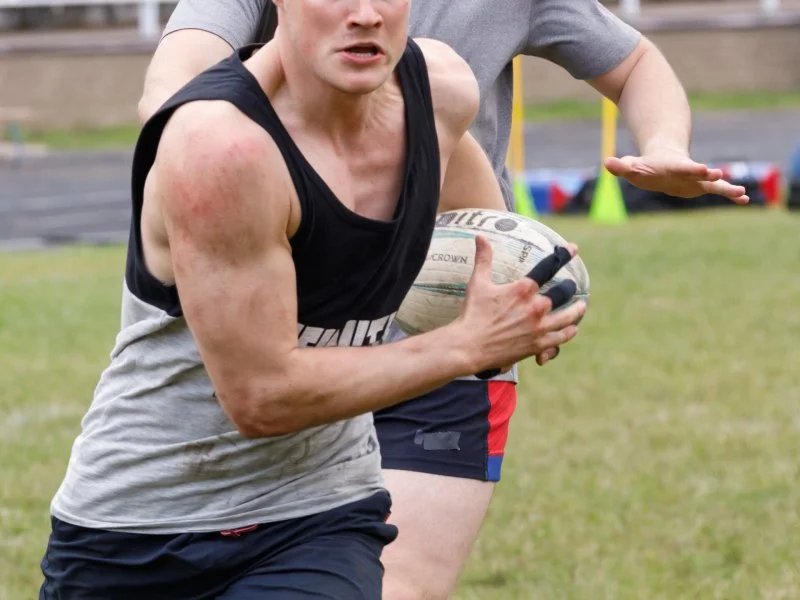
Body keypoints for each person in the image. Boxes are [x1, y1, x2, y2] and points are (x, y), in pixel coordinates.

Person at [137, 2, 749, 598]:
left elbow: (634, 63)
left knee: (398, 586)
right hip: (296, 342)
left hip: (456, 332)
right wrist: (270, 169)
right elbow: (173, 90)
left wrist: (665, 144)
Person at [39, 0, 587, 598]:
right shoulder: (220, 146)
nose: (365, 13)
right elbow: (261, 398)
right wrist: (467, 344)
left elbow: (487, 252)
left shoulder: (439, 94)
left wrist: (524, 299)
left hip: (318, 512)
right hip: (141, 529)